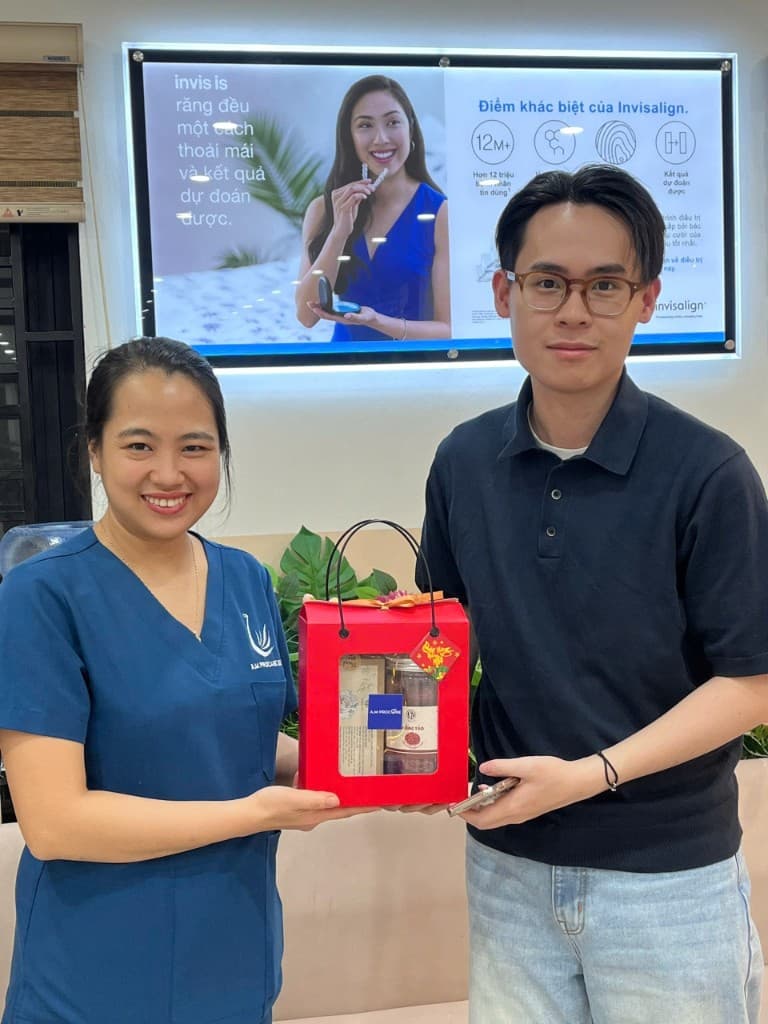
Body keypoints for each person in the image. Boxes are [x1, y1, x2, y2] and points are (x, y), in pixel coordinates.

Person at [417, 165, 768, 1023]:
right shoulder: (462, 462)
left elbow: (749, 682)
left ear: (645, 300)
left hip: (668, 878)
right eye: (547, 283)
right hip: (507, 864)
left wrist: (590, 776)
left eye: (604, 285)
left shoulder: (709, 473)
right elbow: (441, 633)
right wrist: (403, 724)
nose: (572, 311)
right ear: (504, 293)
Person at [0, 337, 371, 1024]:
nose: (169, 473)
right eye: (139, 446)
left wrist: (380, 767)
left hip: (232, 958)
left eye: (195, 447)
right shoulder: (42, 596)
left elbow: (245, 740)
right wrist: (252, 814)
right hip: (95, 975)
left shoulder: (245, 581)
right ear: (93, 449)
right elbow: (53, 822)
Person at [295, 74, 450, 342]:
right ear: (350, 138)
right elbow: (306, 316)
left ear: (410, 129)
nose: (381, 138)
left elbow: (447, 330)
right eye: (365, 125)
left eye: (392, 122)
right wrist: (339, 232)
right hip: (344, 371)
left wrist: (378, 321)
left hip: (416, 371)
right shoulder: (323, 210)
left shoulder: (439, 213)